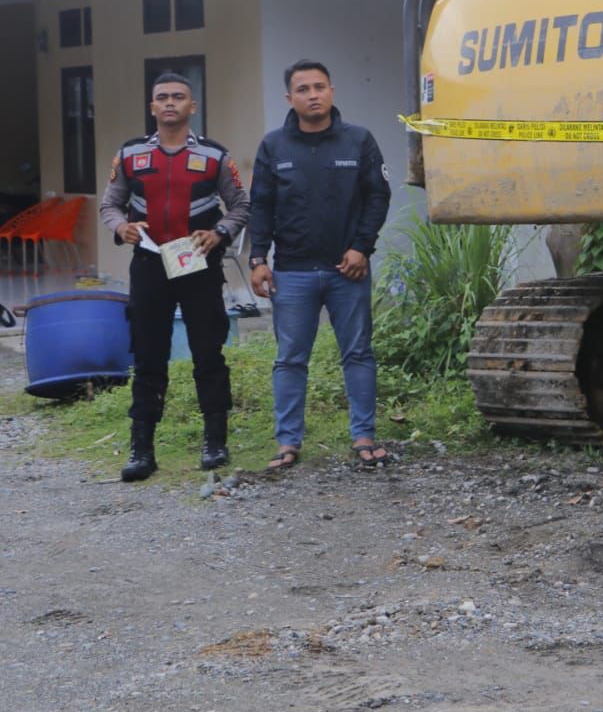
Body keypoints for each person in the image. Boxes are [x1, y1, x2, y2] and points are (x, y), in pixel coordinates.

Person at [100, 72, 250, 481]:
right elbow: (109, 206)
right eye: (162, 97)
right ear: (152, 107)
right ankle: (141, 450)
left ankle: (215, 443)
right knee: (148, 356)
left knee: (208, 353)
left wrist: (219, 233)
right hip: (149, 266)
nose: (170, 103)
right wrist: (121, 228)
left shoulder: (215, 156)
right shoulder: (130, 155)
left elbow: (241, 206)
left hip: (198, 264)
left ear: (192, 106)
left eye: (178, 97)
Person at [249, 60, 392, 471]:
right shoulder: (274, 146)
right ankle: (287, 442)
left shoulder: (359, 141)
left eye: (320, 87)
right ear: (289, 98)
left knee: (358, 353)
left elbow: (377, 197)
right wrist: (259, 259)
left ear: (332, 91)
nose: (313, 95)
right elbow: (261, 205)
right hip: (292, 271)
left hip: (347, 270)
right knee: (290, 359)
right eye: (303, 89)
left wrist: (361, 247)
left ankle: (363, 435)